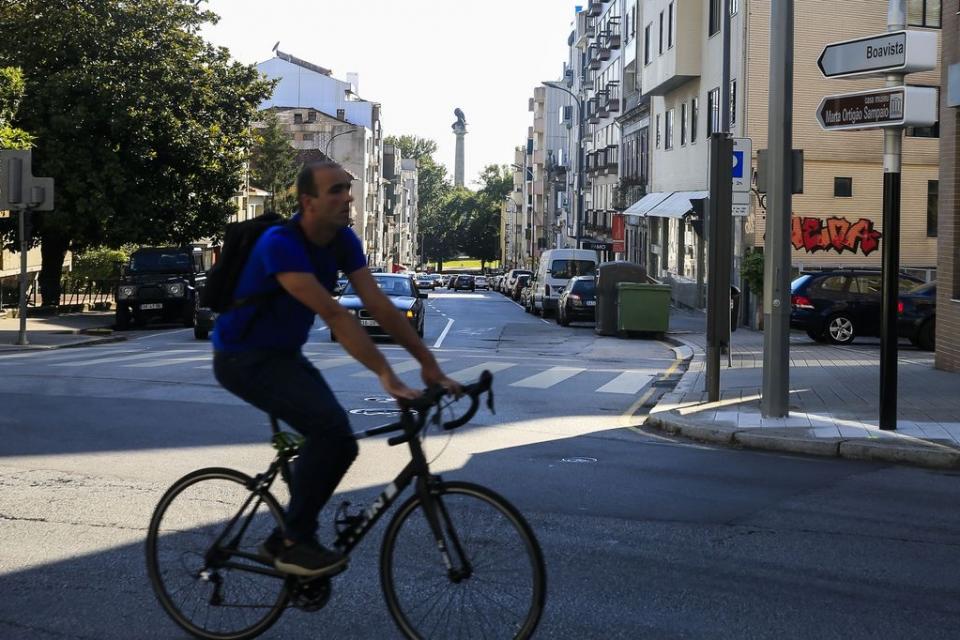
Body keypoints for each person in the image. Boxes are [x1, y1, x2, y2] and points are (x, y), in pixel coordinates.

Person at [212, 160, 461, 577]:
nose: (348, 197)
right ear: (308, 202)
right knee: (330, 431)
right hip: (242, 357)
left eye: (348, 188)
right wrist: (387, 375)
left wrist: (429, 364)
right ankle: (292, 541)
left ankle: (293, 532)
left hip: (284, 355)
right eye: (335, 191)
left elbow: (378, 305)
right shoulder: (281, 243)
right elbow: (336, 315)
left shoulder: (343, 240)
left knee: (340, 442)